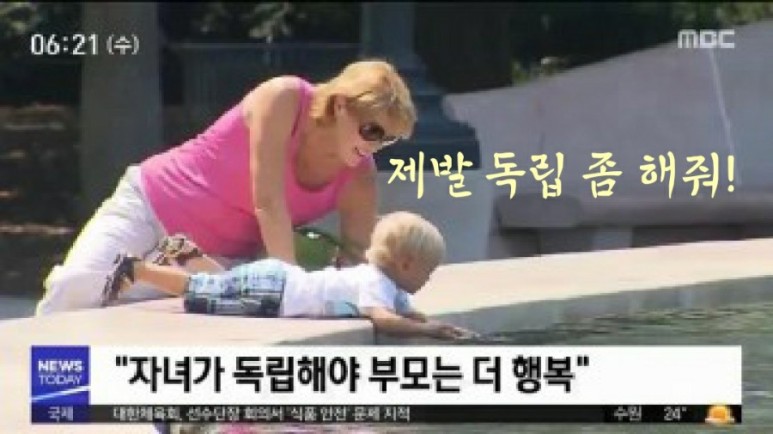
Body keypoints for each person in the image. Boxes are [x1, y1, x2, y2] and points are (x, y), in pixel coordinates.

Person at [36, 59, 417, 315]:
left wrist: (383, 303)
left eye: (388, 139)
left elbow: (359, 258)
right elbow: (268, 200)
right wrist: (289, 287)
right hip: (151, 204)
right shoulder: (285, 97)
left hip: (214, 258)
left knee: (142, 309)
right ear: (341, 105)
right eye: (372, 130)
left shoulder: (359, 176)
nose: (375, 145)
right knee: (76, 286)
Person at [104, 212, 474, 340]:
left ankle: (188, 255)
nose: (429, 279)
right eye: (428, 271)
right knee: (202, 290)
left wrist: (439, 327)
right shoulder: (375, 283)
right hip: (276, 292)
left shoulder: (388, 285)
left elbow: (405, 313)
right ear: (406, 264)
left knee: (223, 284)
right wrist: (430, 330)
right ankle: (136, 269)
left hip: (279, 283)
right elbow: (385, 320)